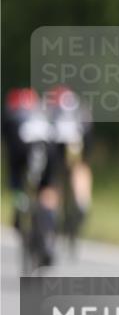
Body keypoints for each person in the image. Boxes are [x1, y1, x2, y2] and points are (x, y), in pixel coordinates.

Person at [1, 87, 58, 264]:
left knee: (17, 179)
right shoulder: (44, 112)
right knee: (47, 188)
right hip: (47, 148)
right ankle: (47, 234)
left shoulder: (11, 114)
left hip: (21, 148)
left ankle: (20, 206)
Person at [44, 85, 94, 237]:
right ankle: (82, 202)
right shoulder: (79, 106)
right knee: (80, 167)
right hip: (77, 137)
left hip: (56, 139)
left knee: (52, 176)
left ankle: (50, 212)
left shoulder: (48, 106)